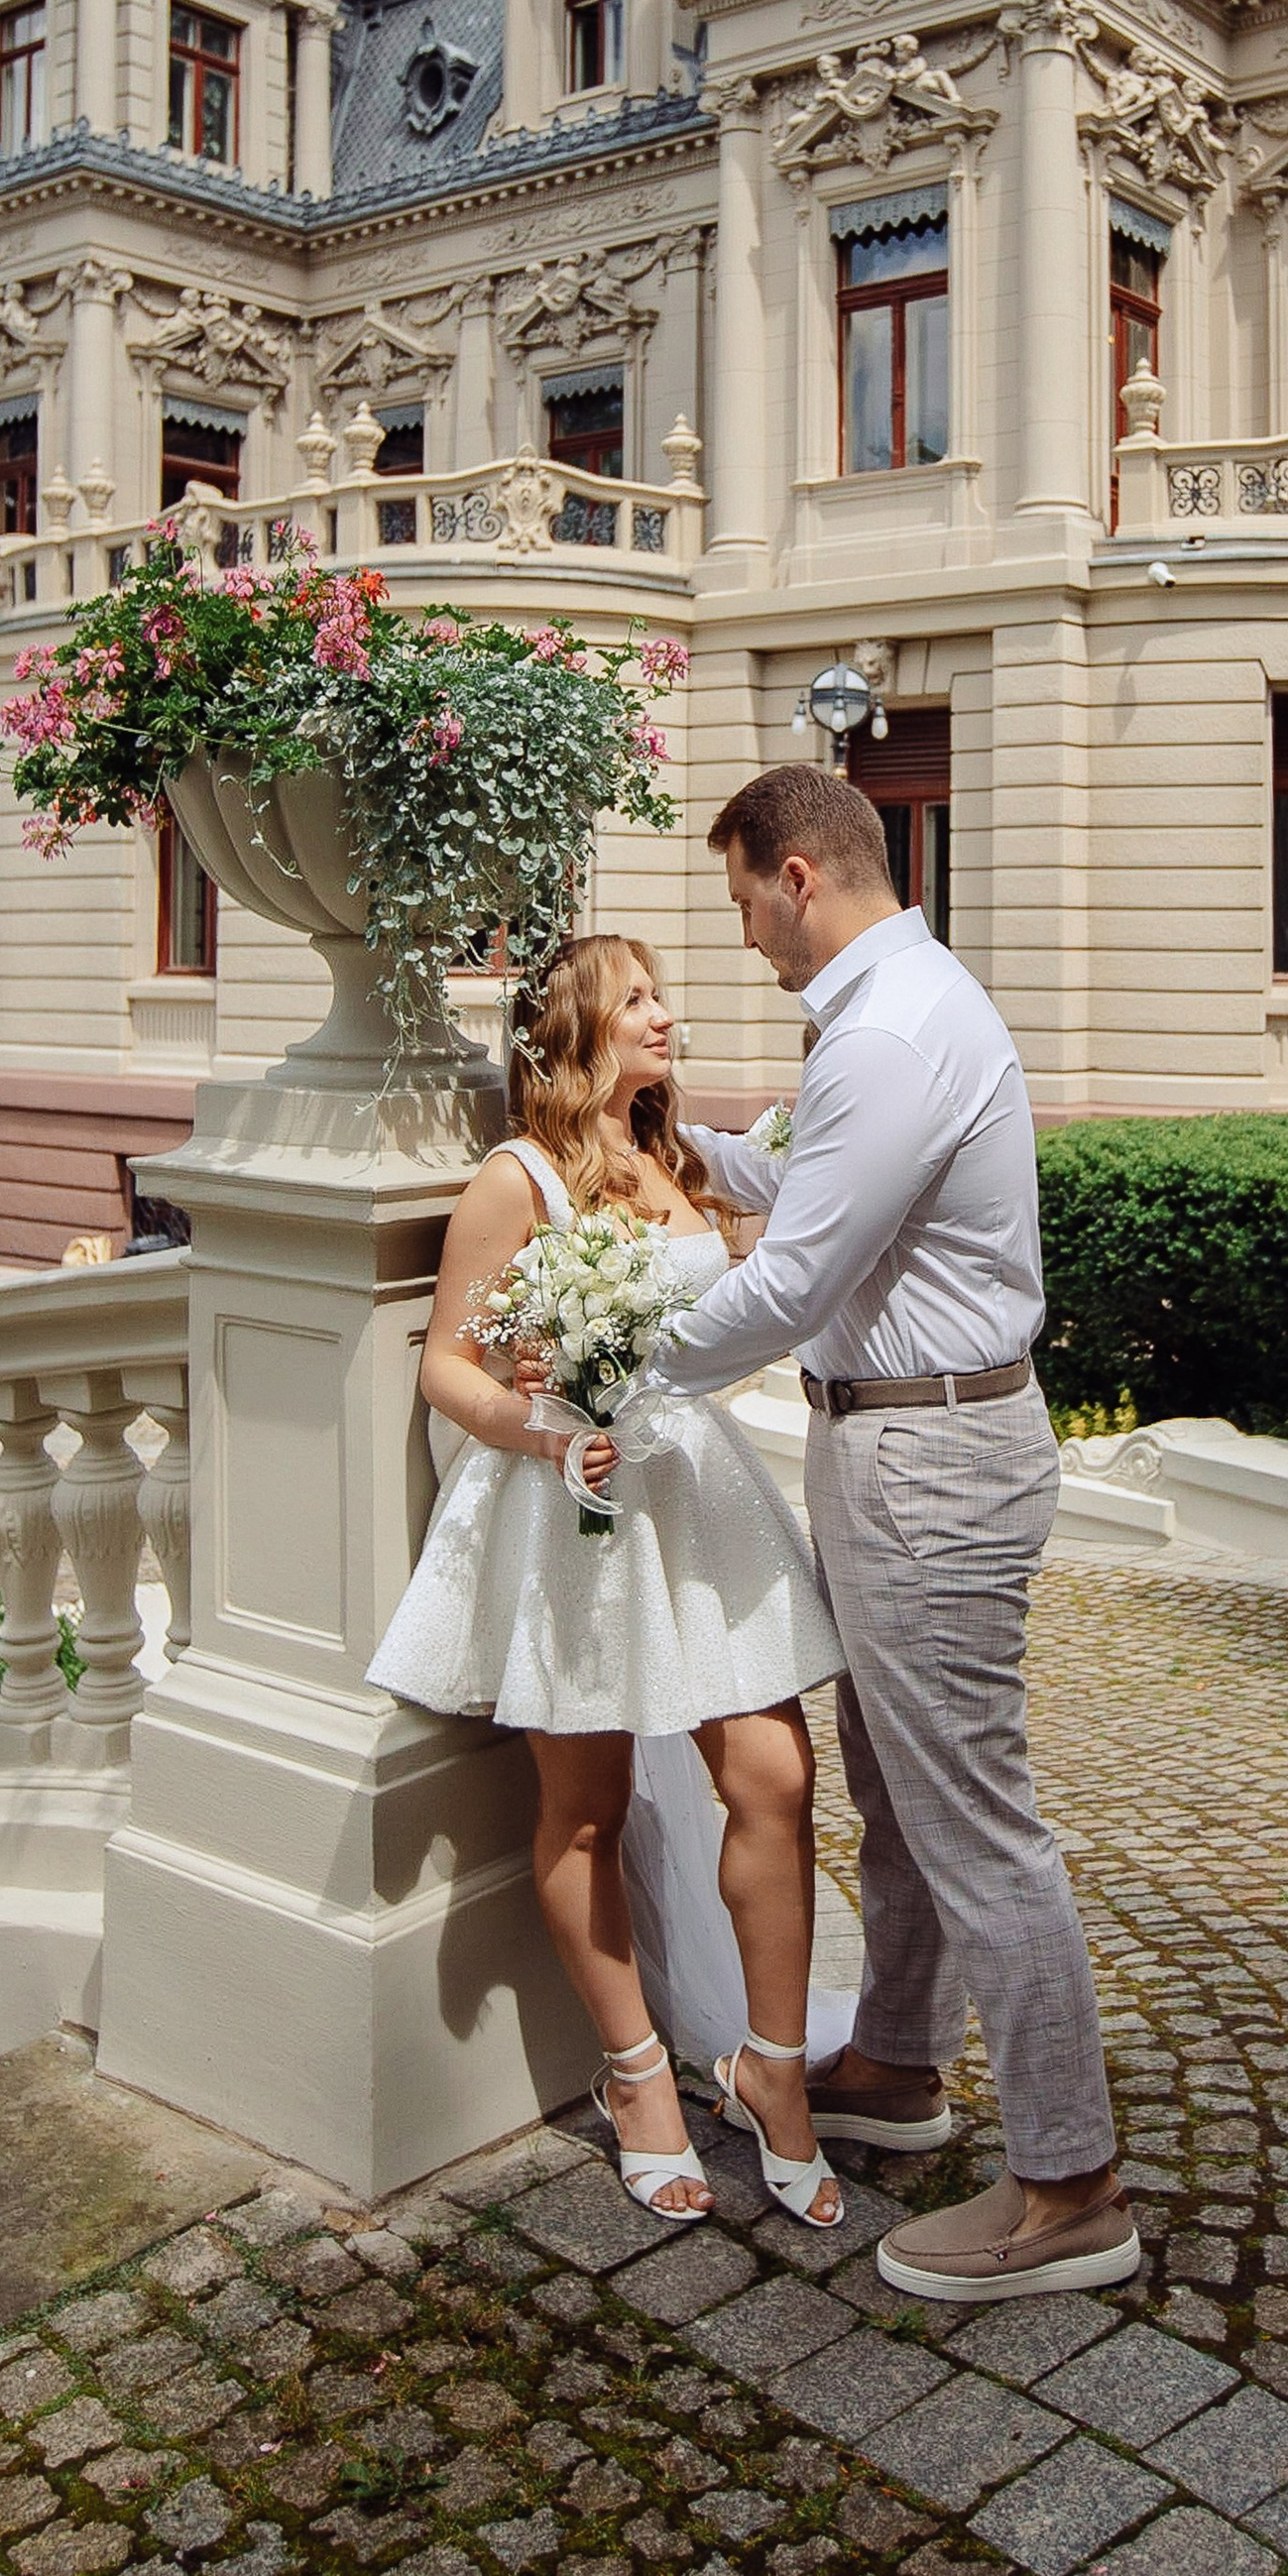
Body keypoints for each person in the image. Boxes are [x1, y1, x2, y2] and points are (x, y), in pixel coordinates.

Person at [647, 764, 1138, 2300]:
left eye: (745, 901)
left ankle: (1071, 2186)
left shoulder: (889, 1030)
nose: (744, 936)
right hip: (905, 1445)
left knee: (975, 1818)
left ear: (798, 877)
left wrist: (610, 1368)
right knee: (902, 1793)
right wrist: (673, 1147)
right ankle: (901, 2069)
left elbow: (793, 1282)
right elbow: (811, 1190)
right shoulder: (888, 1011)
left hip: (928, 1461)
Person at [366, 933, 849, 2232]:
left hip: (694, 1491)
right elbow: (449, 1365)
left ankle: (773, 2070)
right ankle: (637, 2078)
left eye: (661, 996)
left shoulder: (679, 1159)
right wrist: (542, 1426)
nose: (663, 1016)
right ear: (577, 1027)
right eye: (637, 1000)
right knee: (586, 1808)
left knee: (774, 1775)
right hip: (576, 1505)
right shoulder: (515, 1180)